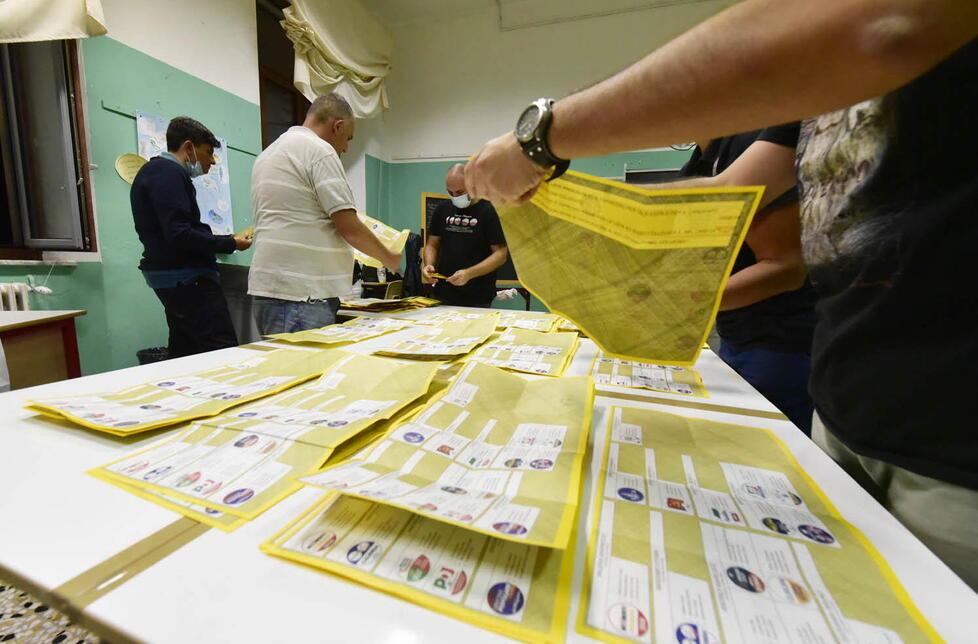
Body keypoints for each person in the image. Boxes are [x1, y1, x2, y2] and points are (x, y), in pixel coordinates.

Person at [464, 1, 978, 589]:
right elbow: (723, 196)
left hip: (954, 431)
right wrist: (573, 228)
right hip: (849, 400)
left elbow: (875, 26)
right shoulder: (786, 122)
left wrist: (542, 139)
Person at [672, 125, 817, 434]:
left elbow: (786, 268)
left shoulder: (751, 146)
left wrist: (682, 299)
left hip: (780, 342)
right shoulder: (697, 164)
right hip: (733, 335)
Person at [248, 92, 400, 334]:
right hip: (303, 294)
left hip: (270, 289)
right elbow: (349, 228)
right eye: (348, 138)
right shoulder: (320, 151)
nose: (346, 148)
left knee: (286, 369)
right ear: (337, 126)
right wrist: (389, 257)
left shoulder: (268, 154)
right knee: (306, 368)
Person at [130, 116, 252, 359]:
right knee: (221, 350)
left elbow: (176, 229)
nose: (212, 160)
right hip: (188, 279)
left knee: (186, 348)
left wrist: (224, 239)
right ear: (188, 147)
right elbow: (179, 234)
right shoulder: (168, 174)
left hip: (171, 278)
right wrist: (230, 243)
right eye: (208, 152)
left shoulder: (152, 173)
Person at [422, 164, 508, 308]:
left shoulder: (489, 211)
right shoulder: (442, 209)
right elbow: (432, 244)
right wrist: (429, 264)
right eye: (450, 192)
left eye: (459, 192)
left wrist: (469, 273)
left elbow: (500, 255)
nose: (455, 196)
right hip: (444, 293)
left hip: (478, 297)